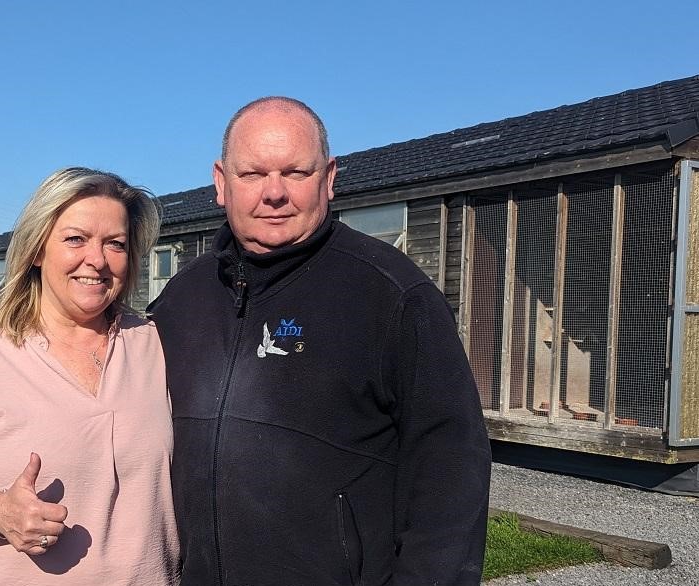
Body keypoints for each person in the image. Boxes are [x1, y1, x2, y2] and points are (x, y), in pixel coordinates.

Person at [148, 98, 492, 585]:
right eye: (252, 174)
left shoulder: (391, 294)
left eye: (295, 172)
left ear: (329, 178)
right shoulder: (182, 298)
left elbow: (451, 467)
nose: (274, 193)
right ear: (221, 183)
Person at [0, 167, 180, 585]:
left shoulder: (154, 344)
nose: (97, 260)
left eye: (115, 243)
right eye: (75, 239)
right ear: (37, 249)